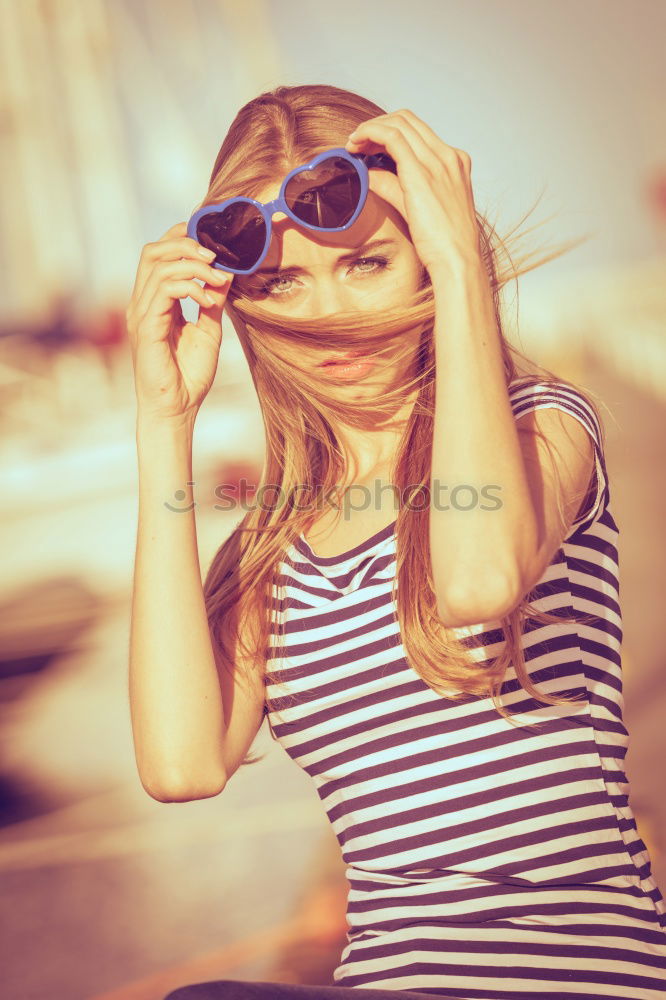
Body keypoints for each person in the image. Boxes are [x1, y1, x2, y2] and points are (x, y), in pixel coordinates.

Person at [126, 84, 666, 998]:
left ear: (421, 255)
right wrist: (161, 420)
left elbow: (479, 579)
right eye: (283, 283)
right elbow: (181, 764)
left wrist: (462, 264)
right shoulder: (270, 556)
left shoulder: (544, 430)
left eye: (367, 262)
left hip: (581, 974)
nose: (329, 313)